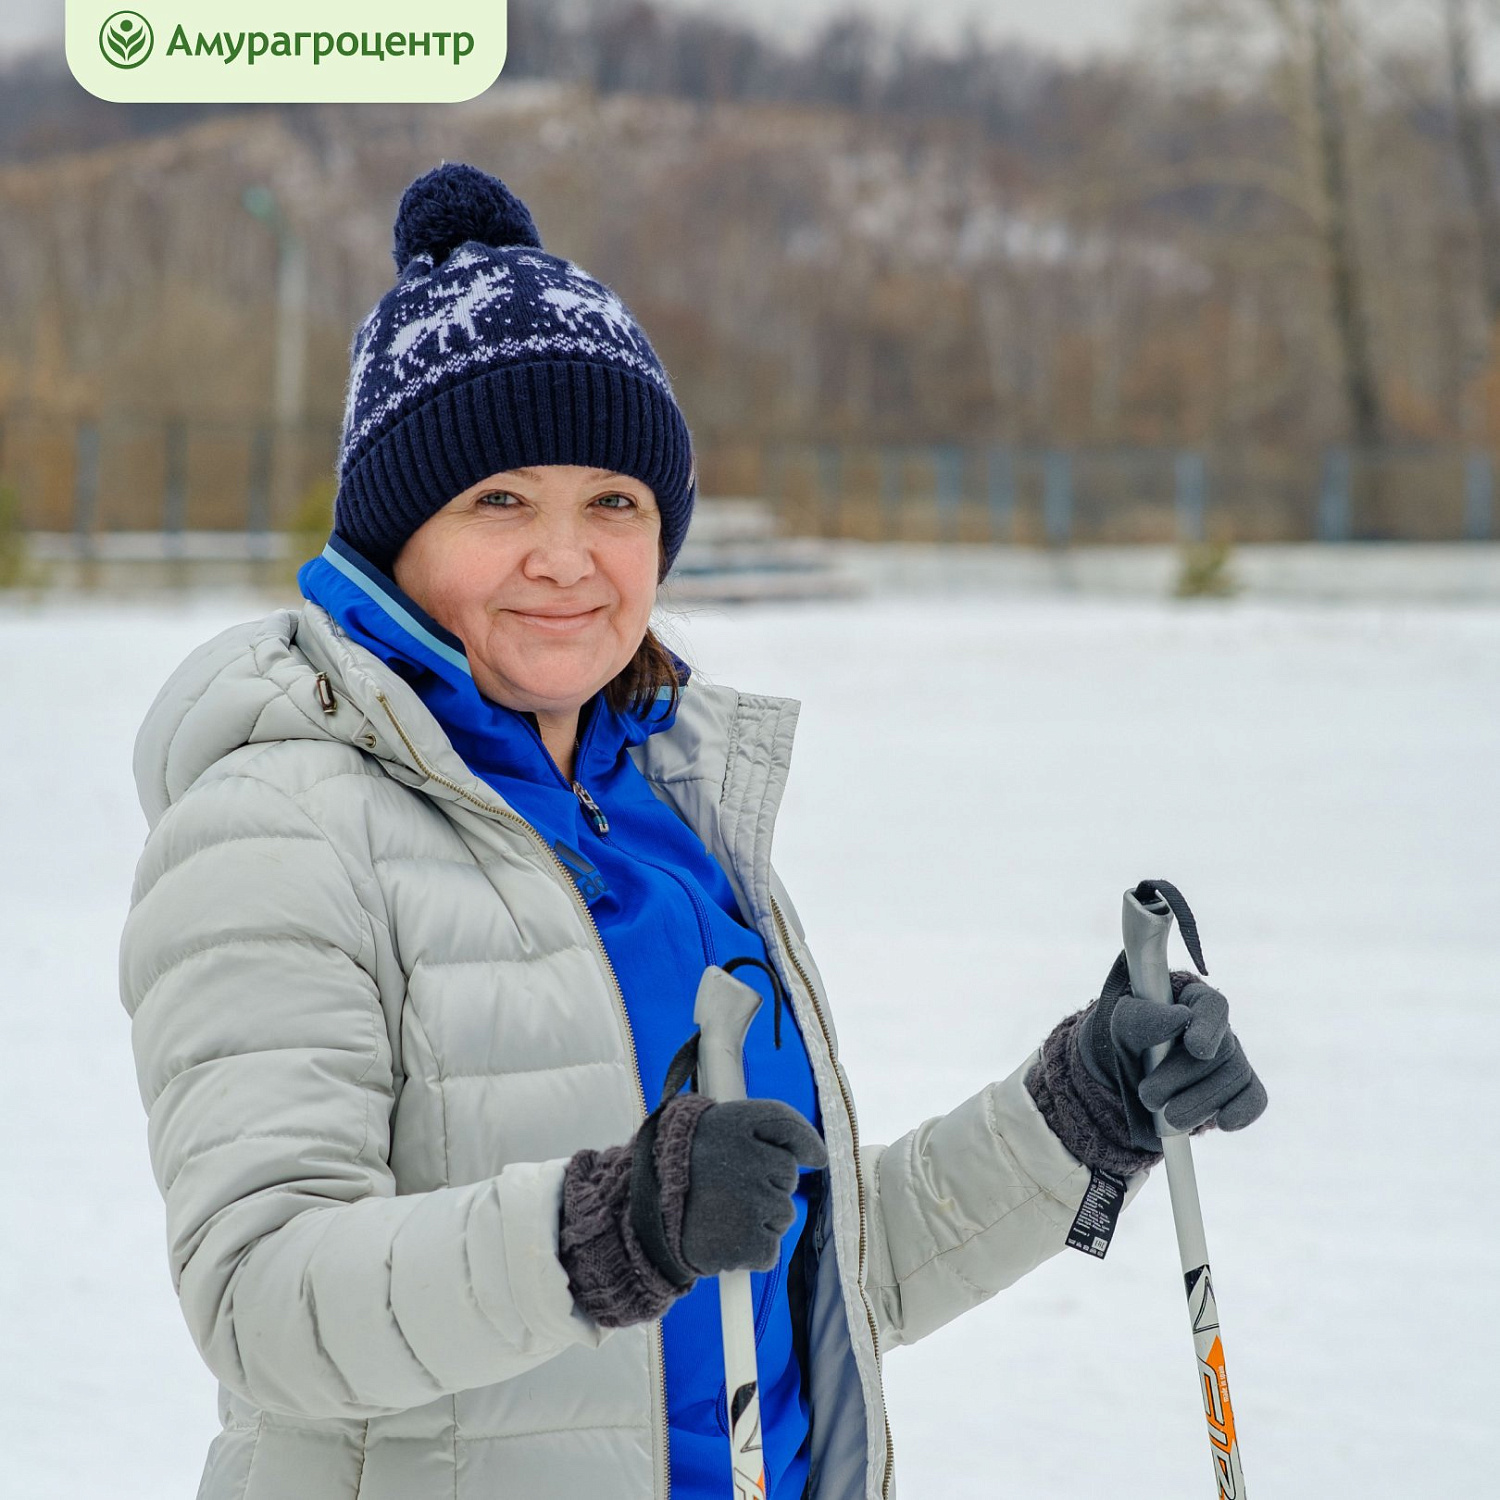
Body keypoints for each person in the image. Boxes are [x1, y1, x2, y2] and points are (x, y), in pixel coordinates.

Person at [119, 163, 1266, 1500]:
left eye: (615, 502)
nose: (567, 557)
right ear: (392, 537)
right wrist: (607, 1227)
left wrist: (1081, 1108)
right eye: (499, 502)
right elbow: (264, 1300)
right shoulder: (279, 827)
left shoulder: (673, 828)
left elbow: (816, 1270)